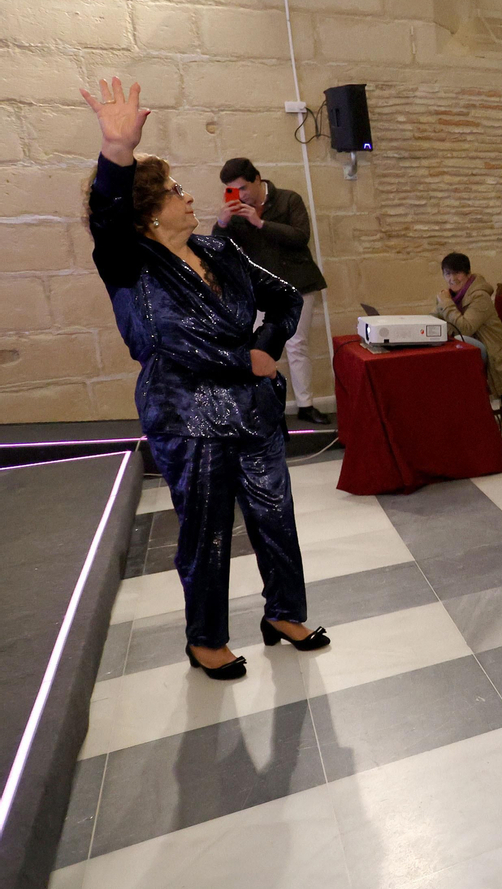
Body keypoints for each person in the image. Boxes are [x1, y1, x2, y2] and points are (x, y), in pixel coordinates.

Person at [82, 77, 329, 681]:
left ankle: (284, 614)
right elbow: (107, 222)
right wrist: (116, 152)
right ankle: (206, 639)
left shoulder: (219, 249)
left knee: (275, 514)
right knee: (208, 532)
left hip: (252, 409)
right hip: (189, 416)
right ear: (145, 211)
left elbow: (287, 293)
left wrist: (266, 346)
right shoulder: (129, 260)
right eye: (173, 190)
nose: (188, 196)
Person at [213, 157, 330, 424]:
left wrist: (261, 222)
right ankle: (263, 409)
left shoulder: (289, 199)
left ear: (257, 179)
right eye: (233, 190)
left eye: (243, 188)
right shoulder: (235, 212)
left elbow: (301, 236)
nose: (239, 195)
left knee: (297, 345)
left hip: (298, 283)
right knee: (258, 348)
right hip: (260, 290)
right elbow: (219, 251)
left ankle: (306, 404)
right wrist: (221, 222)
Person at [433, 253, 502, 400]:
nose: (452, 278)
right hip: (481, 350)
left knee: (460, 342)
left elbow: (465, 329)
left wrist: (446, 304)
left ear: (468, 273)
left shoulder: (480, 296)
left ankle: (470, 404)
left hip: (498, 357)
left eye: (457, 273)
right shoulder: (451, 296)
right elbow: (436, 319)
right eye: (447, 274)